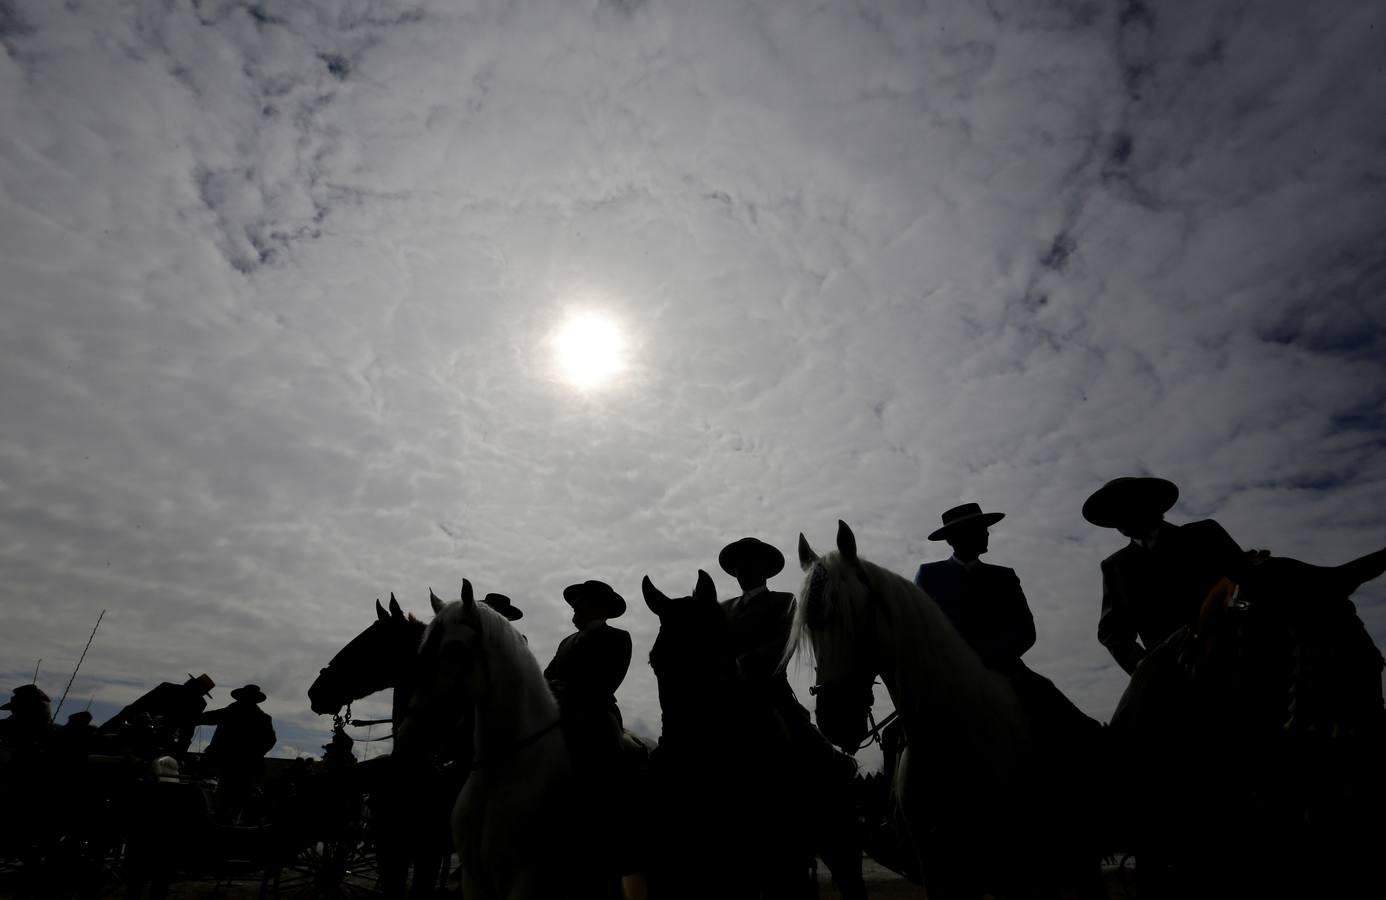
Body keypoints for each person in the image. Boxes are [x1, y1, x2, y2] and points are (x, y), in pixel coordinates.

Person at [914, 504, 1097, 743]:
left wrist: (988, 659)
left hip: (1005, 671)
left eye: (985, 529)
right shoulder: (929, 575)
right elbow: (918, 630)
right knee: (900, 732)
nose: (987, 534)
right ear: (954, 539)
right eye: (979, 529)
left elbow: (1025, 630)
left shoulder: (1004, 577)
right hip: (947, 674)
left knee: (1059, 709)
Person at [1084, 477, 1248, 675]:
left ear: (1149, 505)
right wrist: (1147, 666)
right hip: (1177, 679)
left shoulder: (1204, 534)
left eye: (1125, 505)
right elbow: (1113, 632)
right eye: (1112, 510)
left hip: (1241, 657)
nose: (1118, 515)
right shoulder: (1115, 567)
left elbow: (1250, 582)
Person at [544, 580, 632, 775]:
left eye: (580, 601)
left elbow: (609, 680)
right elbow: (547, 675)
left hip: (596, 712)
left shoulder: (618, 637)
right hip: (558, 708)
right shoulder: (565, 642)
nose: (573, 606)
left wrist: (569, 689)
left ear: (595, 605)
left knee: (618, 754)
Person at [200, 684, 276, 823]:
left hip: (228, 764)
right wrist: (256, 753)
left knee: (225, 798)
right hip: (248, 766)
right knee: (239, 800)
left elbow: (210, 717)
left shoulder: (232, 711)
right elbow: (270, 740)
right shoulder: (263, 718)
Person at [100, 674, 215, 756]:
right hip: (149, 732)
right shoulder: (197, 703)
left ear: (192, 684)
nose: (187, 682)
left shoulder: (170, 689)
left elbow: (137, 706)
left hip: (151, 735)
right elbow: (188, 730)